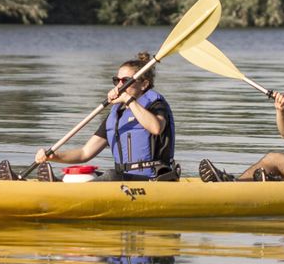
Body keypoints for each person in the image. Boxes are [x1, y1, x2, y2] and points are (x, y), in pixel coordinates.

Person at [34, 52, 177, 182]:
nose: (120, 85)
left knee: (111, 175)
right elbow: (85, 153)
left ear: (144, 84)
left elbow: (156, 128)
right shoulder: (116, 115)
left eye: (126, 81)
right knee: (79, 175)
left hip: (154, 179)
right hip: (125, 179)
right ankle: (58, 183)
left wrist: (128, 99)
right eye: (117, 80)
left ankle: (68, 190)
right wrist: (55, 156)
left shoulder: (157, 105)